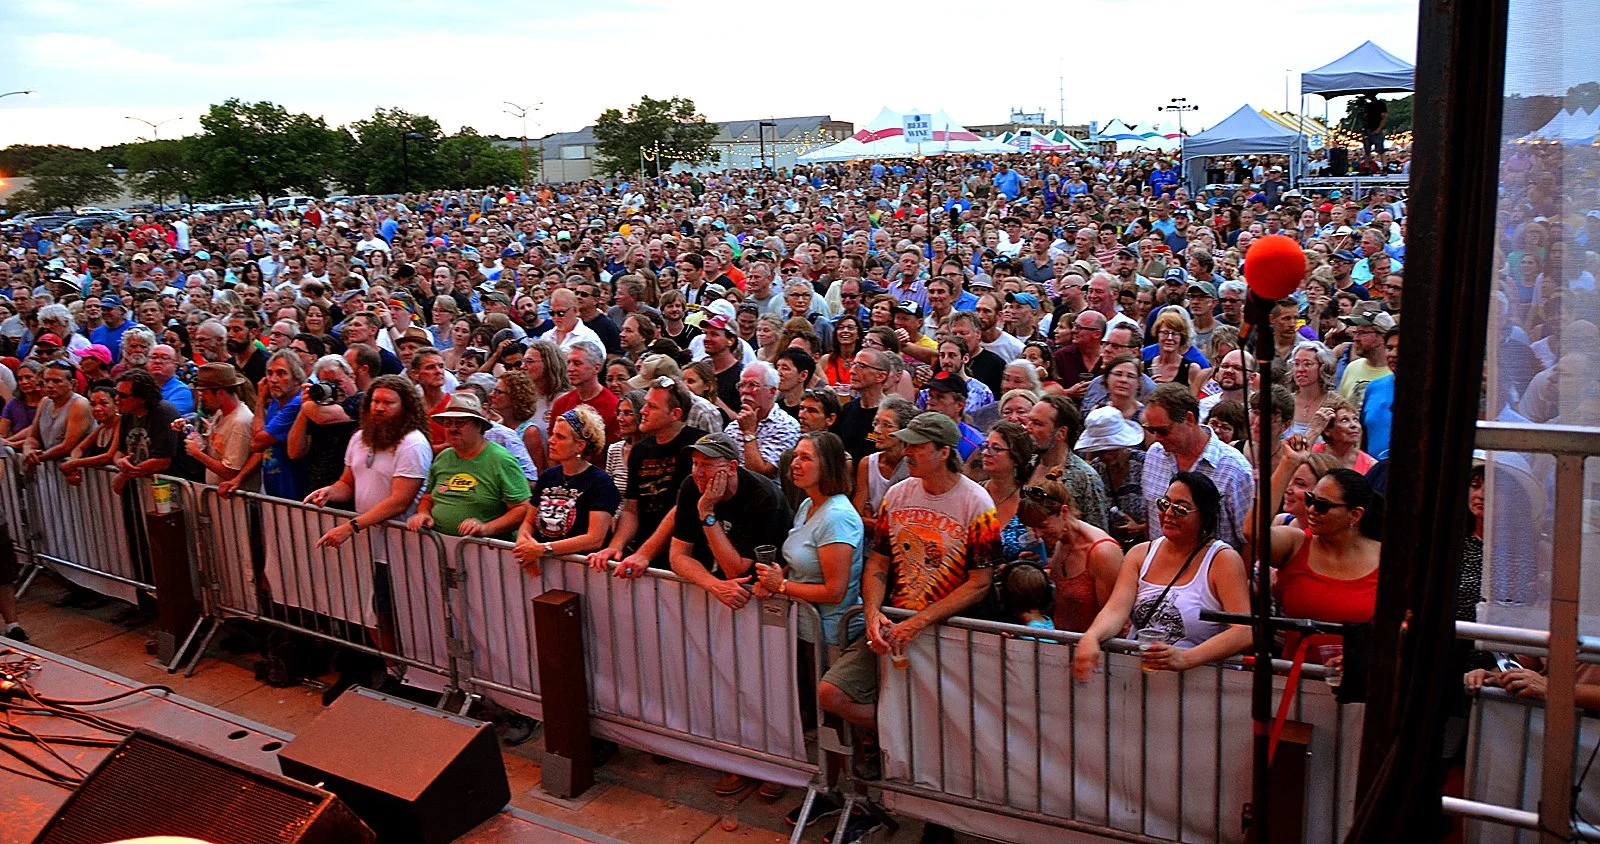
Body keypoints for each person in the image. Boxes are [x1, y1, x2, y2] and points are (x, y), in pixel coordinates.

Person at [815, 412, 1000, 836]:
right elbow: (878, 560)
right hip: (891, 624)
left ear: (944, 452)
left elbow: (980, 583)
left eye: (916, 446)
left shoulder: (977, 505)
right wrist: (873, 612)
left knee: (950, 724)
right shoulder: (897, 495)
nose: (905, 452)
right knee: (832, 691)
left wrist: (919, 622)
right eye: (907, 444)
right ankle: (904, 732)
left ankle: (941, 821)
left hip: (946, 634)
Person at [1073, 472, 1252, 679]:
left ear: (1204, 515)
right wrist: (1092, 637)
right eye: (1164, 504)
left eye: (1180, 509)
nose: (1168, 513)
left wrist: (1186, 659)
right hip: (1142, 682)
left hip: (1202, 688)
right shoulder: (1140, 554)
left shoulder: (1223, 560)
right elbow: (1115, 610)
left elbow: (1243, 631)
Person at [1250, 468, 1383, 664]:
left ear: (1355, 515)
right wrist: (1288, 463)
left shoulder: (1385, 559)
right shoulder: (1295, 544)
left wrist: (1360, 659)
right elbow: (1253, 532)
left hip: (1356, 686)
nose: (1311, 509)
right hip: (1294, 682)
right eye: (1311, 500)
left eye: (1323, 506)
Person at [756, 431, 864, 644]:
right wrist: (771, 579)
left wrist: (781, 585)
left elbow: (835, 592)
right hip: (804, 626)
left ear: (827, 466)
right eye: (796, 456)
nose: (794, 464)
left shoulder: (837, 517)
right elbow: (799, 557)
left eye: (805, 458)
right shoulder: (808, 505)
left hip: (831, 636)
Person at [588, 377, 705, 574]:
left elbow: (681, 509)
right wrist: (616, 545)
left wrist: (645, 553)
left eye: (652, 406)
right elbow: (631, 510)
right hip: (644, 550)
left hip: (686, 552)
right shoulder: (641, 450)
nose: (642, 411)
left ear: (675, 414)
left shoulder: (697, 446)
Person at [1139, 383, 1253, 551]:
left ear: (1189, 420)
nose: (1156, 438)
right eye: (1150, 430)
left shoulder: (1234, 468)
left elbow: (1248, 539)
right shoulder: (1154, 455)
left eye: (1163, 431)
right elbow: (1152, 520)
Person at [407, 392, 531, 540]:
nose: (452, 429)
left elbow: (522, 508)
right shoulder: (443, 457)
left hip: (484, 553)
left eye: (460, 423)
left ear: (479, 426)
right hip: (438, 550)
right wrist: (423, 514)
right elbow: (428, 498)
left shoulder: (501, 460)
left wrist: (485, 528)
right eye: (448, 423)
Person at [514, 406, 618, 571]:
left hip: (585, 570)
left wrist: (544, 549)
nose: (551, 441)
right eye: (553, 434)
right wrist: (524, 543)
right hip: (545, 566)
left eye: (560, 437)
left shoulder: (600, 482)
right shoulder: (548, 476)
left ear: (580, 446)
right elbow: (529, 521)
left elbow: (595, 538)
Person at [1016, 469, 1121, 632]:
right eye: (1033, 528)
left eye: (1043, 526)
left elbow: (1115, 617)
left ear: (1064, 512)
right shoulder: (1060, 543)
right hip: (1063, 647)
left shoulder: (1102, 552)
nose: (1037, 535)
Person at [1024, 394, 1112, 531]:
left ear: (1061, 433)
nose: (1028, 428)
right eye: (1029, 421)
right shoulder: (1026, 466)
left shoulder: (1085, 478)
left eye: (1037, 423)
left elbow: (1098, 534)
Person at [288, 354, 363, 491]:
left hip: (351, 490)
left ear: (352, 377)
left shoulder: (363, 400)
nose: (334, 389)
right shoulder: (315, 409)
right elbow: (294, 451)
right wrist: (305, 406)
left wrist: (308, 405)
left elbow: (325, 417)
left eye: (337, 382)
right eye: (327, 384)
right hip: (318, 489)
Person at [851, 396, 917, 538]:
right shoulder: (867, 464)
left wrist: (872, 521)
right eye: (876, 423)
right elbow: (855, 517)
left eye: (887, 425)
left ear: (904, 431)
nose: (877, 430)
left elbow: (907, 525)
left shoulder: (915, 467)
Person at [182, 363, 255, 486]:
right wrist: (195, 438)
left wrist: (197, 454)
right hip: (219, 497)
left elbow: (230, 473)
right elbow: (216, 453)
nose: (202, 398)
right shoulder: (221, 414)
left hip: (233, 501)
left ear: (220, 393)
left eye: (205, 393)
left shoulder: (240, 422)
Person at [979, 421, 1041, 561]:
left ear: (1016, 458)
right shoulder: (973, 495)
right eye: (985, 446)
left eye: (995, 448)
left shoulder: (1030, 501)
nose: (985, 453)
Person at [18, 361, 92, 470]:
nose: (50, 385)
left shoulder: (79, 404)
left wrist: (39, 457)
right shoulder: (45, 402)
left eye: (57, 381)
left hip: (78, 472)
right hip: (52, 471)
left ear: (72, 383)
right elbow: (33, 437)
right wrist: (28, 451)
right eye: (47, 381)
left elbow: (67, 446)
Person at [1308, 396, 1378, 474]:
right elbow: (1296, 460)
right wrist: (1314, 431)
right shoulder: (1312, 453)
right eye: (1344, 420)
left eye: (1355, 419)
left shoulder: (1371, 466)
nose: (1354, 425)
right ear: (1327, 430)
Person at [1143, 310, 1205, 395]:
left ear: (1181, 337)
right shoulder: (1144, 367)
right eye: (1165, 332)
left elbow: (1195, 402)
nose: (1170, 338)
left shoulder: (1192, 369)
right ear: (1157, 334)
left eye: (1175, 334)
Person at [604, 390, 647, 506]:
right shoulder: (614, 450)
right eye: (619, 413)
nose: (619, 418)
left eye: (627, 413)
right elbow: (607, 493)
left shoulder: (652, 451)